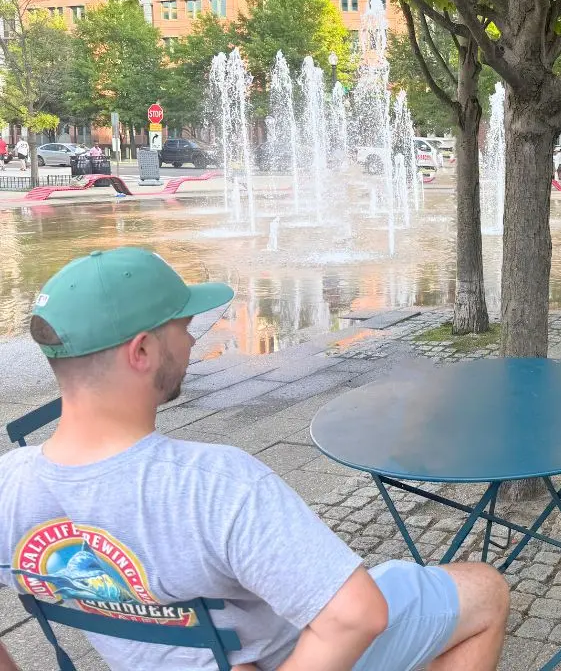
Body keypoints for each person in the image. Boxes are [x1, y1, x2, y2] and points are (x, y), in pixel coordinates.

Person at [0, 248, 509, 671]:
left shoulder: (8, 485)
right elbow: (356, 617)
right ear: (142, 352)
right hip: (288, 652)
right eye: (182, 326)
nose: (192, 339)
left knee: (396, 578)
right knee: (484, 590)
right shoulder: (215, 485)